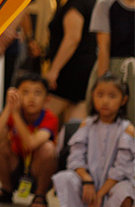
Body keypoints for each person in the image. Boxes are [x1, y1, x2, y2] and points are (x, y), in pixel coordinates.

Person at [52, 73, 135, 207]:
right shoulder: (87, 125)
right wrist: (87, 180)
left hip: (111, 186)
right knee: (65, 178)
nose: (105, 101)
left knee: (125, 191)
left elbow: (122, 169)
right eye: (100, 95)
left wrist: (101, 193)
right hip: (87, 186)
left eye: (112, 96)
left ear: (123, 100)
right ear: (92, 96)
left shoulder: (127, 129)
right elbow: (75, 158)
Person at [0, 72, 59, 207]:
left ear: (47, 98)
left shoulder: (50, 118)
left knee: (48, 148)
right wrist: (8, 108)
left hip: (37, 172)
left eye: (38, 93)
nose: (31, 98)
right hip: (15, 167)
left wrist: (16, 115)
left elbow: (31, 143)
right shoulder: (13, 113)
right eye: (25, 92)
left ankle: (40, 195)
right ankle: (6, 189)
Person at [45, 0, 98, 125]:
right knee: (74, 122)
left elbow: (72, 38)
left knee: (45, 117)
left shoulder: (77, 2)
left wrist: (54, 70)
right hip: (84, 67)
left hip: (71, 68)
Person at [89, 0, 135, 123]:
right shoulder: (106, 4)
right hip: (113, 68)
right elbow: (104, 46)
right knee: (107, 122)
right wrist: (104, 83)